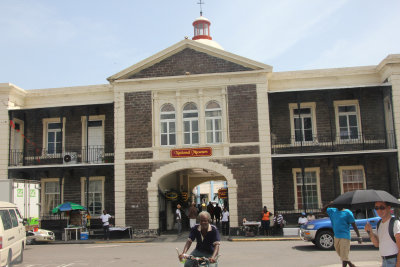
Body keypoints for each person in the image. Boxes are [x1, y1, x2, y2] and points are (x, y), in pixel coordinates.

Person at [322, 202, 362, 267]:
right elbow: (322, 210)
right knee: (342, 255)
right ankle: (351, 264)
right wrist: (329, 204)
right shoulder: (332, 210)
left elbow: (354, 225)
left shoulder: (348, 213)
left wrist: (359, 236)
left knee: (344, 256)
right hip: (336, 236)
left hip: (345, 236)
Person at [365, 201, 400, 267]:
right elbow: (377, 244)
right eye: (376, 208)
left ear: (389, 208)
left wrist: (398, 263)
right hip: (384, 261)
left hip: (394, 260)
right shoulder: (379, 224)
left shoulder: (395, 223)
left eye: (382, 207)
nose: (379, 210)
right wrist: (370, 232)